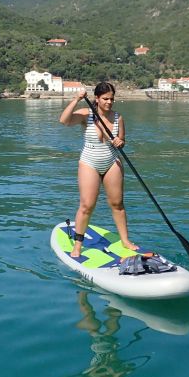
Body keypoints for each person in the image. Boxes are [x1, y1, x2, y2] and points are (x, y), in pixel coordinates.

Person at [59, 81, 138, 258]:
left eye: (112, 99)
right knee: (87, 205)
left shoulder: (118, 118)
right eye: (105, 99)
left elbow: (122, 142)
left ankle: (125, 240)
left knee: (117, 204)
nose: (109, 102)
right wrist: (76, 99)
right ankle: (78, 245)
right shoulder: (86, 114)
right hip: (89, 162)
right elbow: (63, 120)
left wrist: (120, 142)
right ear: (97, 98)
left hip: (112, 162)